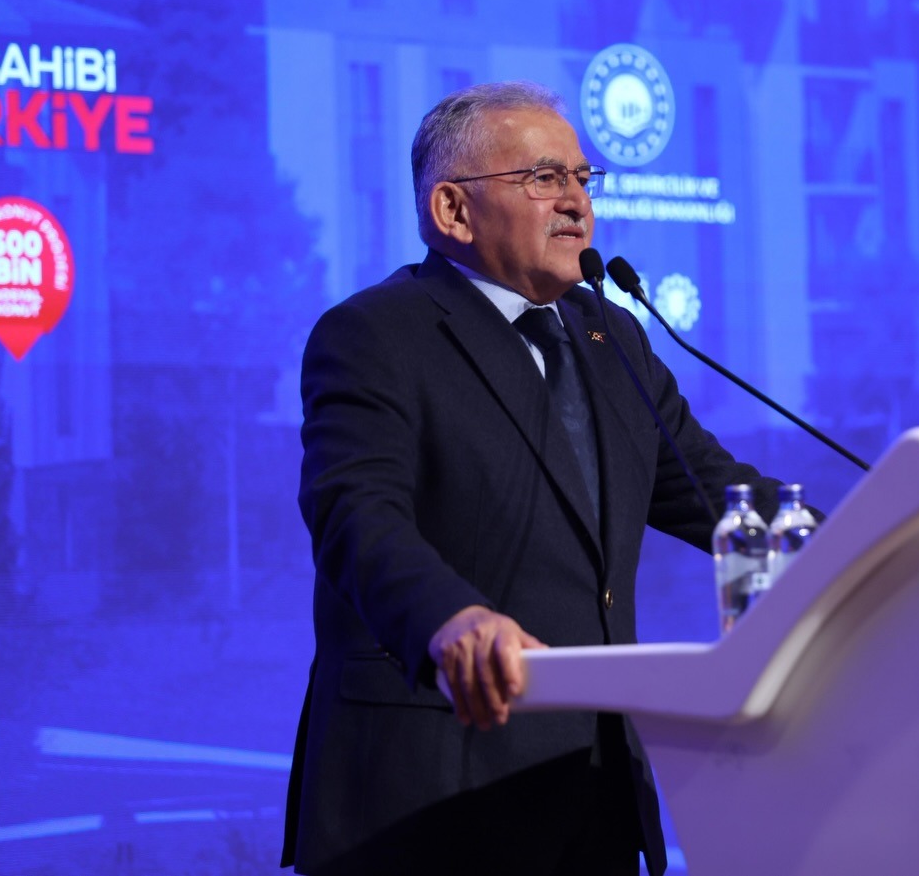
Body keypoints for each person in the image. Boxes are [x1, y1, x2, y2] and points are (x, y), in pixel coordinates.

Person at [281, 81, 787, 875]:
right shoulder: (376, 334)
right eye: (545, 178)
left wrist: (885, 542)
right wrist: (449, 617)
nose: (577, 202)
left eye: (583, 178)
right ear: (453, 209)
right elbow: (357, 515)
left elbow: (719, 493)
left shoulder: (611, 336)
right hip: (430, 800)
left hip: (591, 794)